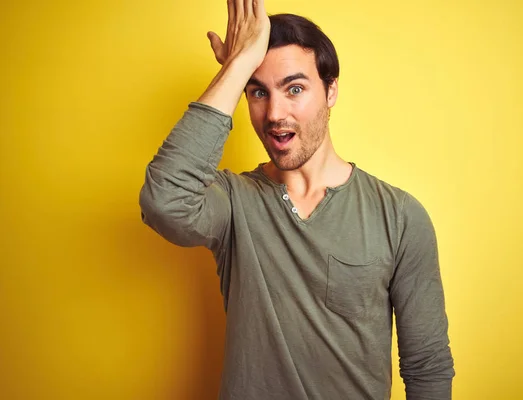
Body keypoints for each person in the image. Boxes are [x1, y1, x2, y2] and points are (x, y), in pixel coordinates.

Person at [139, 0, 455, 399]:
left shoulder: (400, 216)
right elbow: (164, 200)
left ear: (331, 90)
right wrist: (235, 68)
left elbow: (427, 366)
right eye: (257, 92)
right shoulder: (232, 202)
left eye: (295, 89)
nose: (275, 113)